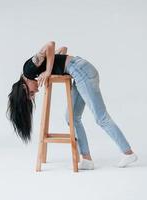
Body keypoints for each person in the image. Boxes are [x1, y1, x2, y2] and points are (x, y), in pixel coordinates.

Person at [7, 41, 138, 170]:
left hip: (81, 71)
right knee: (72, 117)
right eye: (33, 95)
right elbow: (63, 49)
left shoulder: (28, 69)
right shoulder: (34, 70)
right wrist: (52, 65)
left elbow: (50, 45)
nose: (35, 92)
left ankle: (128, 153)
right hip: (80, 72)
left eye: (31, 93)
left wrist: (48, 71)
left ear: (24, 87)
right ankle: (86, 159)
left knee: (101, 117)